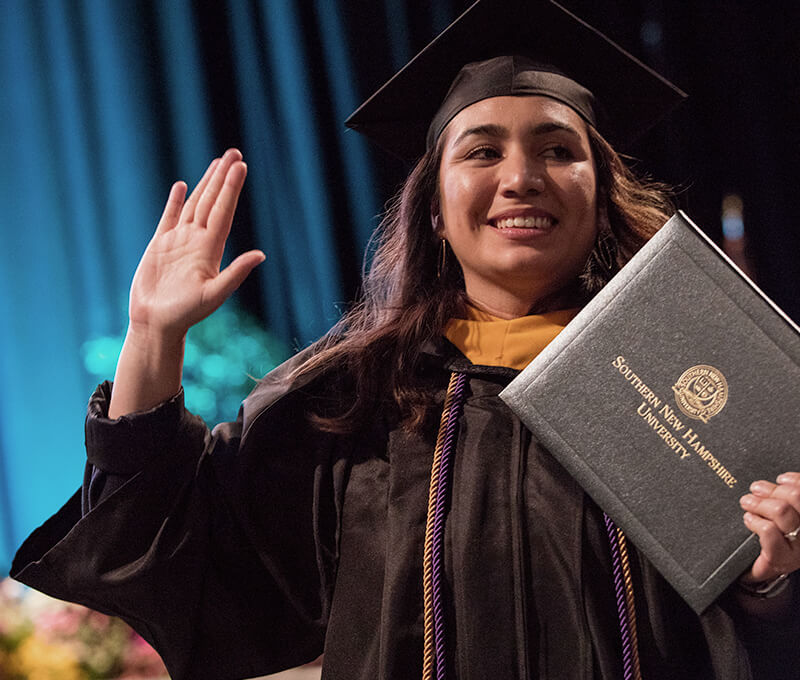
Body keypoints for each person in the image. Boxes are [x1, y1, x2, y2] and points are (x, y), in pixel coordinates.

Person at [11, 1, 800, 679]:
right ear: (433, 208)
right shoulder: (349, 402)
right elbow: (171, 549)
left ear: (600, 196)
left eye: (560, 150)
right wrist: (154, 335)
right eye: (483, 150)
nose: (521, 176)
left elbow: (752, 619)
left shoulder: (684, 384)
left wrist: (770, 578)